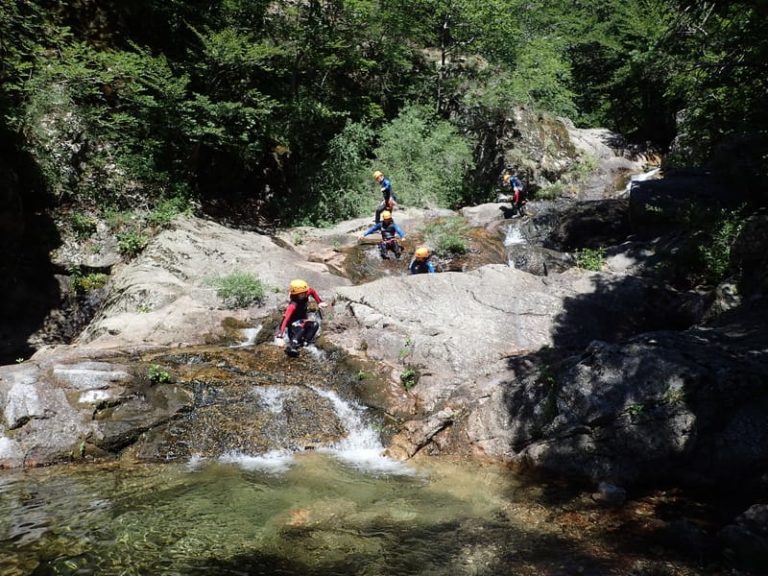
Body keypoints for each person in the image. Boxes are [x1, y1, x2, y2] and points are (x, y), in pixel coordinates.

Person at [275, 279, 325, 353]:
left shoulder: (305, 293)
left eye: (305, 292)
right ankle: (291, 346)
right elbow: (285, 319)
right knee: (301, 329)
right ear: (297, 294)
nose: (306, 294)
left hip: (301, 321)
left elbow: (312, 291)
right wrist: (280, 336)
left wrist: (319, 302)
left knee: (315, 324)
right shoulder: (293, 305)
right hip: (293, 326)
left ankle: (306, 343)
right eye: (303, 293)